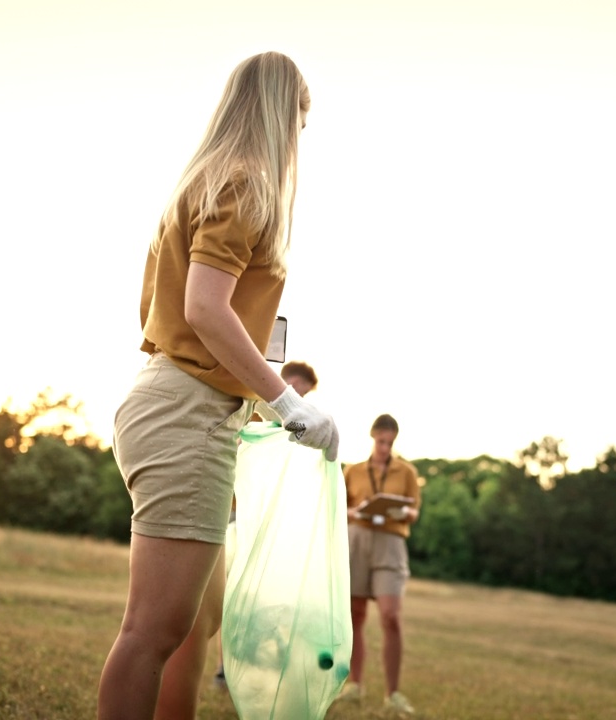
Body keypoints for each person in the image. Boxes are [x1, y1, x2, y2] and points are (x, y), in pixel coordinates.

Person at [97, 52, 339, 720]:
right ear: (277, 111)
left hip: (179, 400)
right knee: (152, 631)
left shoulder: (208, 179)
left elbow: (170, 309)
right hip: (186, 412)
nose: (301, 133)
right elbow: (205, 309)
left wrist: (249, 393)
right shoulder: (245, 183)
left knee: (191, 625)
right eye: (300, 116)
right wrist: (288, 402)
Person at [212, 359, 320, 689]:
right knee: (232, 592)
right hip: (232, 514)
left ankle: (260, 667)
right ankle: (224, 667)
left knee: (269, 595)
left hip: (271, 520)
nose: (297, 403)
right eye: (295, 393)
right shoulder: (249, 405)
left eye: (304, 397)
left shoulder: (296, 428)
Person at [337, 413, 421, 714]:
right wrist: (355, 510)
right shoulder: (353, 470)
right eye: (381, 441)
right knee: (355, 614)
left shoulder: (407, 472)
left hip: (390, 543)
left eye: (390, 442)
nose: (385, 447)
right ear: (373, 437)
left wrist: (403, 513)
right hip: (357, 539)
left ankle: (393, 694)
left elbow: (414, 512)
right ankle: (354, 685)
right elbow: (338, 507)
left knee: (390, 616)